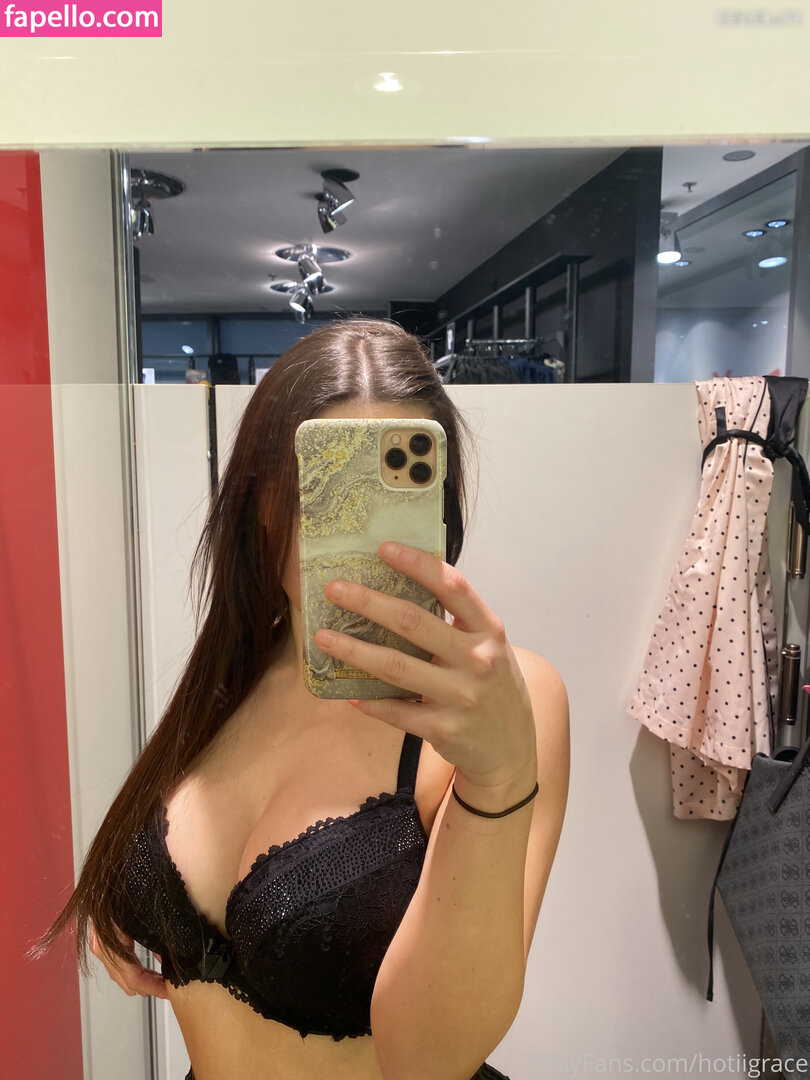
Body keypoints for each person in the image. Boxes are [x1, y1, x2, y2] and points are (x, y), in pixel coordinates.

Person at [30, 317, 570, 1080]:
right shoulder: (240, 668)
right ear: (264, 501)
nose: (357, 529)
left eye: (384, 494)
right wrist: (130, 897)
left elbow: (431, 1061)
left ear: (437, 507)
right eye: (328, 485)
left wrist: (499, 775)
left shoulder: (505, 707)